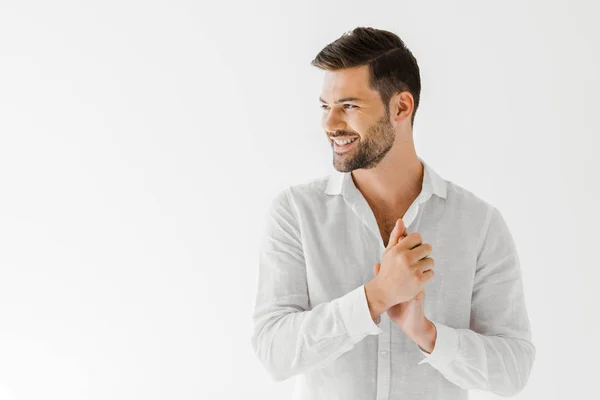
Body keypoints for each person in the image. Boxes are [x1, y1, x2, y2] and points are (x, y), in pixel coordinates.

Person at [250, 26, 535, 400]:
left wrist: (427, 335)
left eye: (348, 106)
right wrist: (374, 298)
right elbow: (274, 353)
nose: (329, 124)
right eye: (325, 106)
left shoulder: (478, 224)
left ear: (401, 107)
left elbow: (513, 371)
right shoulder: (296, 213)